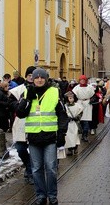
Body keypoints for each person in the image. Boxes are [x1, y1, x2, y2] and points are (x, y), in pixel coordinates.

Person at [16, 68, 68, 205]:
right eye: (36, 78)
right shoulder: (27, 92)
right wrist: (27, 100)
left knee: (51, 168)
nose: (39, 80)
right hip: (33, 137)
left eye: (42, 77)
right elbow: (20, 114)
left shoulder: (54, 92)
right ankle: (40, 195)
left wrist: (62, 133)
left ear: (46, 79)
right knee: (36, 168)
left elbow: (62, 115)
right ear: (33, 79)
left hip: (50, 136)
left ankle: (52, 195)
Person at [8, 66, 36, 185]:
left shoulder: (42, 90)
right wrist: (19, 104)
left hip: (36, 123)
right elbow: (11, 104)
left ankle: (31, 172)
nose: (31, 78)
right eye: (29, 75)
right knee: (21, 149)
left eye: (33, 76)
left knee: (35, 150)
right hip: (21, 123)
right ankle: (28, 165)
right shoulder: (17, 90)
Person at [72, 75, 95, 142]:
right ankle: (81, 134)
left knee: (86, 121)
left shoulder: (90, 87)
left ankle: (85, 135)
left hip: (87, 104)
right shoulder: (77, 88)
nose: (82, 81)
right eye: (81, 80)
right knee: (80, 121)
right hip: (79, 103)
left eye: (83, 80)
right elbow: (73, 96)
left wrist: (91, 100)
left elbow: (94, 95)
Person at [64, 91, 83, 155]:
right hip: (68, 124)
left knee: (75, 136)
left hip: (75, 123)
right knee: (68, 137)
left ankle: (75, 148)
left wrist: (77, 117)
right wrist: (67, 118)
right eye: (69, 98)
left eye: (72, 97)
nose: (71, 99)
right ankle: (69, 149)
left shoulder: (78, 105)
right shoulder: (65, 106)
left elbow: (80, 112)